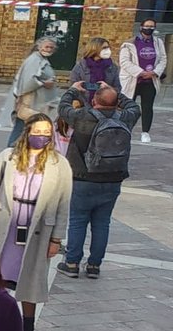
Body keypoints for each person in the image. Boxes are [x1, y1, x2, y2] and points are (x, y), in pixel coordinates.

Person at [0, 113, 72, 331]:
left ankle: (27, 328)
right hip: (5, 224)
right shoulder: (7, 158)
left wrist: (57, 238)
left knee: (30, 281)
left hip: (38, 228)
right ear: (27, 132)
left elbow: (63, 204)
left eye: (46, 133)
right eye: (37, 132)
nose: (41, 137)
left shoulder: (60, 165)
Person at [56, 80, 140, 279]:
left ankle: (72, 262)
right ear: (115, 102)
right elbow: (134, 107)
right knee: (102, 223)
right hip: (113, 178)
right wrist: (115, 93)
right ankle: (94, 266)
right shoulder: (125, 117)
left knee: (77, 221)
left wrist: (73, 90)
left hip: (83, 178)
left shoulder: (82, 117)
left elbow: (63, 108)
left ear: (94, 100)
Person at [0, 34, 59, 146]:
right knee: (21, 127)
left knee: (24, 127)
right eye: (47, 47)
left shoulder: (40, 59)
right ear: (39, 46)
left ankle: (15, 150)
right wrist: (44, 83)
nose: (49, 49)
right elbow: (28, 81)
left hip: (35, 102)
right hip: (29, 102)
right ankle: (10, 151)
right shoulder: (34, 60)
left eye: (51, 48)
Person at [120, 19, 165, 142]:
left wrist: (154, 73)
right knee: (128, 107)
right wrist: (140, 72)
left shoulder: (158, 42)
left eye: (152, 26)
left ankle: (145, 132)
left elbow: (163, 59)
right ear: (141, 27)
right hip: (133, 80)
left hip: (150, 81)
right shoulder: (129, 43)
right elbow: (124, 62)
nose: (149, 29)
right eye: (147, 26)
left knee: (147, 107)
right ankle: (125, 129)